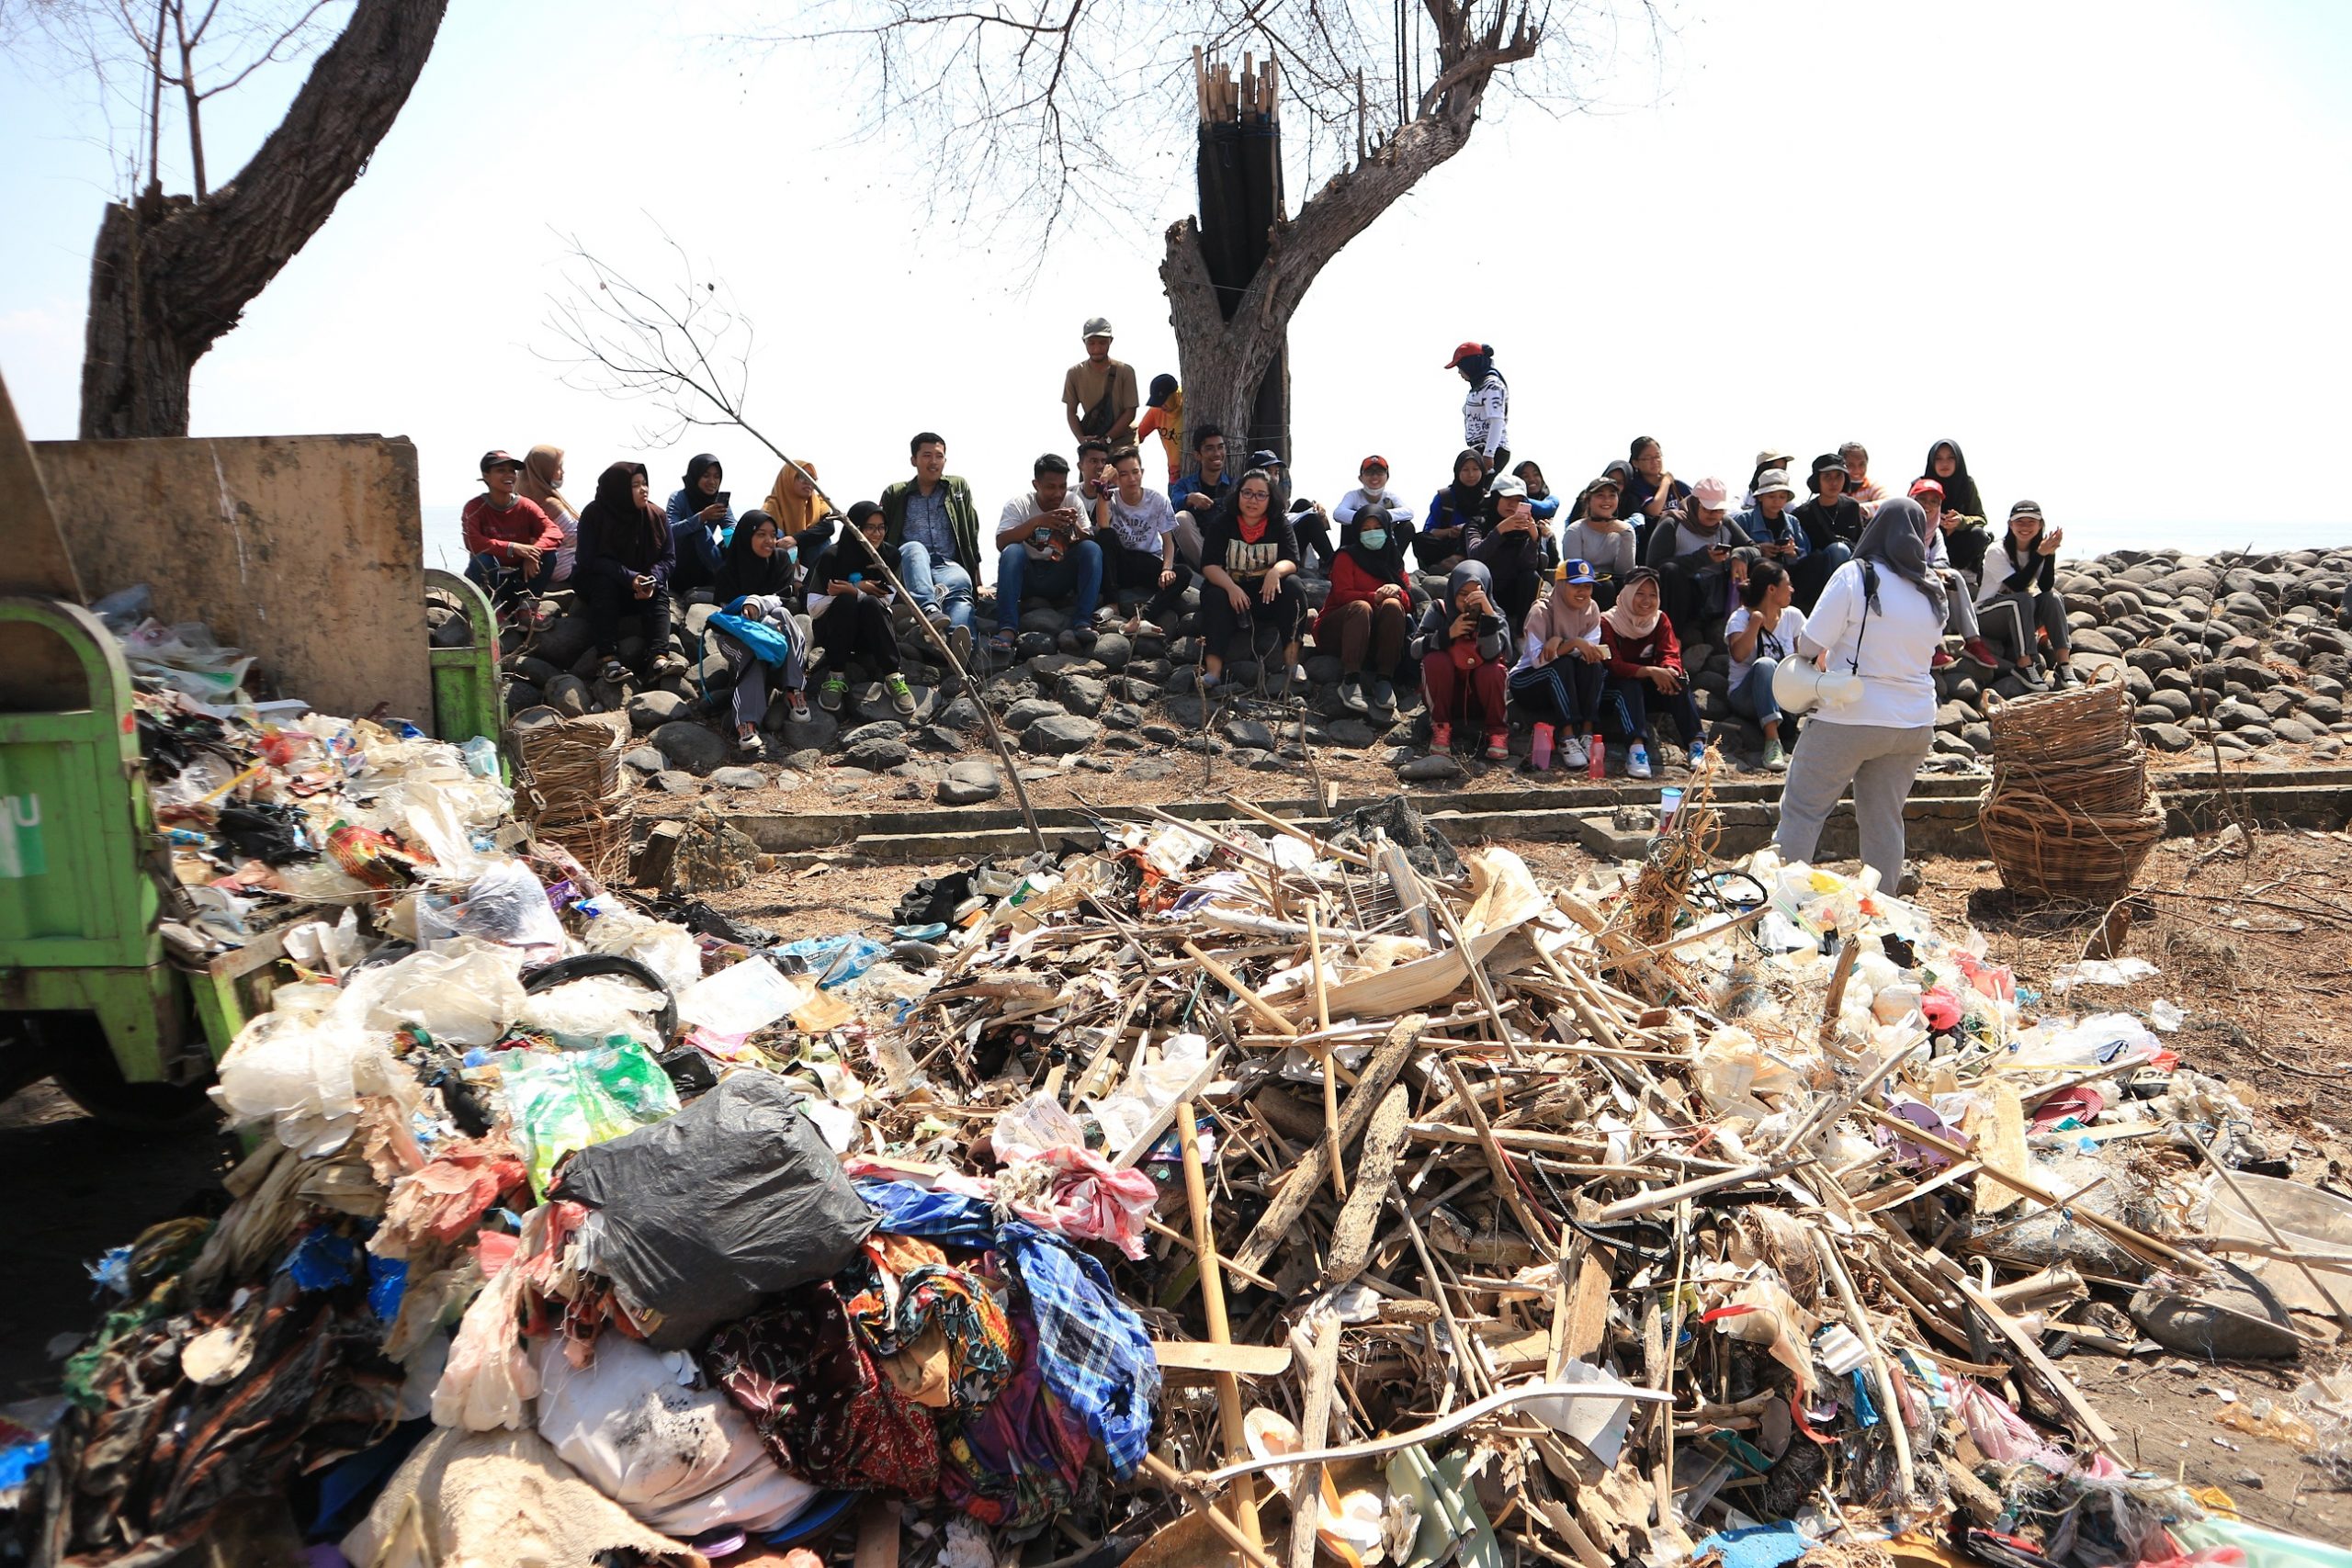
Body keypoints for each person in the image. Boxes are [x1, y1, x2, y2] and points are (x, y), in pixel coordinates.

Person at [1772, 496, 1949, 891]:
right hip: (1914, 723)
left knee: (1803, 811)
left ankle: (1779, 906)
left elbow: (1809, 643)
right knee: (1884, 820)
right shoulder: (1933, 588)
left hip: (1849, 716)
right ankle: (1882, 914)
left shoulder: (1857, 574)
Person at [709, 511, 810, 756]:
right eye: (760, 535)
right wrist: (752, 618)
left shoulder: (780, 560)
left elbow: (785, 597)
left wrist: (757, 605)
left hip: (773, 630)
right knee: (749, 654)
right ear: (746, 536)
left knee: (786, 616)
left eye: (772, 535)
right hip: (736, 637)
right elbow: (726, 619)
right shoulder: (728, 571)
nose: (769, 541)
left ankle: (794, 689)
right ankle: (746, 723)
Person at [1198, 468, 1305, 694]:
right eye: (1247, 493)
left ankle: (1292, 662)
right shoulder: (1222, 523)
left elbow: (1292, 560)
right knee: (1214, 594)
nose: (1252, 500)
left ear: (1270, 498)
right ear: (1238, 495)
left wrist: (1275, 572)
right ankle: (1213, 672)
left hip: (1266, 596)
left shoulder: (1279, 524)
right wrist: (1231, 587)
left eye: (1260, 494)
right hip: (1232, 596)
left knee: (1294, 585)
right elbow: (1209, 565)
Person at [575, 461, 683, 684]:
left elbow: (669, 559)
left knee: (661, 591)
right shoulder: (594, 514)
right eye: (635, 485)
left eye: (645, 483)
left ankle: (658, 659)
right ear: (619, 488)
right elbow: (587, 559)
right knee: (604, 583)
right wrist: (628, 577)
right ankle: (608, 660)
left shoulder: (657, 516)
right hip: (603, 586)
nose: (644, 489)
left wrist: (652, 579)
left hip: (641, 589)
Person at [878, 432, 981, 663]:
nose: (933, 462)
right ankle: (929, 610)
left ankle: (959, 644)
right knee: (915, 548)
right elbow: (879, 533)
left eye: (939, 456)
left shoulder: (957, 487)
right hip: (909, 564)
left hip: (946, 563)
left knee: (962, 584)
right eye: (927, 455)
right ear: (914, 460)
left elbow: (971, 532)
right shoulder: (896, 492)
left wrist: (978, 578)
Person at [808, 502, 918, 716]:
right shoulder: (832, 556)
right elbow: (813, 608)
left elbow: (886, 601)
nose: (876, 534)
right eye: (869, 527)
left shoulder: (890, 557)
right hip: (835, 632)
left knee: (869, 603)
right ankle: (836, 674)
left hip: (871, 634)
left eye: (881, 527)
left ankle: (892, 675)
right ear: (855, 527)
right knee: (846, 602)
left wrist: (853, 589)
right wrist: (856, 590)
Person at [994, 453, 1105, 658]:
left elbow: (1089, 539)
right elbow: (1001, 542)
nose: (1058, 493)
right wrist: (1037, 522)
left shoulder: (1072, 501)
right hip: (1028, 577)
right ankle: (1007, 628)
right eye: (1051, 487)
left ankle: (1082, 622)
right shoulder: (1019, 505)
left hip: (1059, 574)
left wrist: (1074, 527)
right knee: (1012, 551)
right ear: (1036, 484)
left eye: (1062, 486)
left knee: (1092, 550)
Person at [1599, 567, 1704, 780]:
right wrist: (1649, 671)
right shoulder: (1607, 622)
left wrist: (1668, 671)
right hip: (1614, 690)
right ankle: (1636, 751)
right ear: (1628, 593)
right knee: (1629, 686)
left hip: (1649, 686)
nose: (1646, 601)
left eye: (1652, 595)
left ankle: (1697, 745)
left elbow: (1670, 652)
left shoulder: (1660, 620)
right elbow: (1614, 665)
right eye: (1640, 593)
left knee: (1677, 680)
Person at [1510, 559, 1610, 774]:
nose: (1583, 592)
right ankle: (1567, 737)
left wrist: (1561, 643)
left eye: (1588, 586)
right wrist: (1572, 643)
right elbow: (1538, 660)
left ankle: (1586, 732)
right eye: (1576, 585)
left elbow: (1589, 651)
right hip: (1528, 682)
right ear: (1561, 584)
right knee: (1561, 665)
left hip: (1564, 682)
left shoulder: (1592, 608)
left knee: (1593, 666)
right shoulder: (1541, 611)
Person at [1315, 503, 1413, 716]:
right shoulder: (1346, 557)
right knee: (1362, 607)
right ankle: (1350, 680)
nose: (1372, 534)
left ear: (1387, 530)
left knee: (1394, 605)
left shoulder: (1393, 560)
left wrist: (1397, 590)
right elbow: (1341, 595)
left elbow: (1409, 602)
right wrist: (1373, 596)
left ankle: (1384, 678)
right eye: (1365, 529)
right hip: (1338, 631)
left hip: (1373, 637)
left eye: (1377, 528)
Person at [1413, 560, 1514, 760]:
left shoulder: (1496, 615)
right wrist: (1448, 634)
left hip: (1481, 699)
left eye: (1475, 594)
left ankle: (1497, 732)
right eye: (1462, 594)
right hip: (1446, 697)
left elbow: (1492, 654)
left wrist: (1488, 617)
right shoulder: (1439, 610)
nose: (1468, 600)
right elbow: (1415, 649)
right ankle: (1441, 728)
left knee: (1493, 669)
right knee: (1435, 660)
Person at [1974, 500, 2077, 686]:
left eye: (2031, 522)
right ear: (2010, 525)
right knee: (2022, 599)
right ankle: (2024, 664)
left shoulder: (2037, 549)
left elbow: (2045, 587)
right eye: (2020, 522)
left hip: (2021, 616)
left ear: (2040, 525)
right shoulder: (1996, 551)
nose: (2025, 527)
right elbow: (2016, 585)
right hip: (1988, 616)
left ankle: (2063, 665)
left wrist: (2050, 554)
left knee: (2052, 598)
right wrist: (2040, 555)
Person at [1093, 445, 1186, 637]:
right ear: (1116, 477)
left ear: (1142, 472)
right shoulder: (1109, 497)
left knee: (1183, 573)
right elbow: (1103, 526)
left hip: (1147, 561)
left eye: (1135, 472)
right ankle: (1113, 603)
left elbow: (1168, 540)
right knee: (1106, 535)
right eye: (1124, 474)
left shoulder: (1158, 500)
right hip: (1119, 563)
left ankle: (1142, 617)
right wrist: (1103, 483)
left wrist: (1167, 569)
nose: (1132, 479)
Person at [1910, 479, 2002, 670]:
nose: (1928, 505)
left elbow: (1942, 561)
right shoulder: (1901, 527)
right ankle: (1929, 646)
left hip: (1926, 578)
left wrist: (1934, 572)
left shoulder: (1935, 533)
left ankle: (1972, 640)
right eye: (1922, 499)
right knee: (1932, 581)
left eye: (1934, 501)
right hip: (1900, 584)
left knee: (1953, 577)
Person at [462, 449, 561, 623]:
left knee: (550, 555)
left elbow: (554, 531)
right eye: (501, 470)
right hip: (490, 581)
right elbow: (474, 542)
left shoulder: (525, 505)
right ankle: (493, 612)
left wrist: (533, 552)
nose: (508, 475)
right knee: (483, 559)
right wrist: (513, 547)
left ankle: (527, 609)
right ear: (486, 476)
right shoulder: (474, 507)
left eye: (511, 471)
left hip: (518, 579)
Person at [1724, 559, 1804, 772]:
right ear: (1771, 589)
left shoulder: (1794, 617)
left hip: (1782, 694)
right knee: (1765, 664)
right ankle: (1772, 741)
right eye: (1787, 585)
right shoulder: (1740, 618)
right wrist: (1754, 625)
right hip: (1745, 696)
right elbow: (1739, 655)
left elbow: (1806, 654)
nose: (1792, 590)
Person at [1647, 476, 1743, 640]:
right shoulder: (1673, 524)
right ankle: (1671, 636)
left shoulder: (1725, 524)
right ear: (1695, 504)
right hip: (1685, 595)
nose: (1714, 515)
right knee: (1670, 570)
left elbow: (1753, 548)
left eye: (1718, 510)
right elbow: (1655, 565)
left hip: (1718, 593)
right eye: (1708, 509)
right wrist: (1701, 558)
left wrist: (1739, 556)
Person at [1466, 472, 1547, 632]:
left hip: (1513, 591)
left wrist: (1533, 538)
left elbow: (1529, 566)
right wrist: (1500, 530)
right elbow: (1475, 556)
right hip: (1486, 588)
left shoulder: (1524, 529)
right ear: (1496, 498)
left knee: (1532, 578)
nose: (1512, 504)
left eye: (1518, 501)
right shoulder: (1478, 523)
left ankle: (1522, 635)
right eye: (1507, 498)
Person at [1250, 448, 1334, 574]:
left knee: (1303, 504)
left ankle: (1328, 561)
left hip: (1277, 536)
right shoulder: (1251, 496)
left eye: (1276, 473)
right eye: (1268, 472)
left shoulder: (1273, 496)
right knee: (1310, 520)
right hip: (1266, 549)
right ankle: (1335, 566)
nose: (1273, 478)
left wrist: (1315, 509)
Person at [1561, 472, 1639, 604]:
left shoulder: (1625, 529)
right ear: (1588, 501)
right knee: (1605, 587)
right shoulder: (1576, 530)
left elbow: (1624, 571)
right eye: (1600, 496)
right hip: (1585, 584)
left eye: (1612, 496)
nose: (1607, 500)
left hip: (1615, 584)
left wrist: (1626, 536)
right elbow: (1575, 571)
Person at [1062, 316, 1138, 445]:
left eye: (1102, 343)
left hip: (1124, 441)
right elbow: (1071, 411)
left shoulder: (1125, 371)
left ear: (1111, 341)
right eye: (1091, 343)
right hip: (1093, 441)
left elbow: (1130, 412)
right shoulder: (1074, 374)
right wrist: (1081, 439)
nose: (1097, 348)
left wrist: (1107, 439)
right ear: (1084, 342)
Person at [667, 454, 733, 599]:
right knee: (700, 531)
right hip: (682, 565)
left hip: (708, 564)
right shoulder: (678, 498)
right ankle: (723, 581)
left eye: (716, 477)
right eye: (706, 476)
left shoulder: (719, 503)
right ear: (695, 476)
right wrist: (701, 517)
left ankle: (730, 582)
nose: (712, 481)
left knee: (738, 539)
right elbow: (669, 531)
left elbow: (731, 527)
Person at [1170, 424, 1235, 571]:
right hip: (1199, 551)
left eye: (1220, 447)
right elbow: (1174, 507)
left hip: (1229, 551)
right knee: (1181, 518)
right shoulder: (1184, 485)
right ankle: (1213, 573)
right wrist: (1190, 499)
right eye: (1210, 448)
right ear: (1197, 455)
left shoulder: (1236, 486)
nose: (1217, 453)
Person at [1418, 449, 1489, 573]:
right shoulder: (1445, 497)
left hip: (1474, 547)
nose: (1471, 474)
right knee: (1420, 539)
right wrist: (1450, 532)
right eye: (1465, 470)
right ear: (1457, 472)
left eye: (1475, 469)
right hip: (1448, 545)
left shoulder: (1489, 499)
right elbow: (1430, 531)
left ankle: (1458, 560)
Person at [519, 445, 580, 587]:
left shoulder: (522, 497)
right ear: (544, 471)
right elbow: (575, 537)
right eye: (558, 468)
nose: (562, 472)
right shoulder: (548, 503)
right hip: (563, 567)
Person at [1444, 342, 1510, 468]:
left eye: (1460, 367)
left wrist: (1489, 454)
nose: (1459, 372)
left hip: (1492, 450)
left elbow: (1497, 421)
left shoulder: (1492, 386)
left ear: (1470, 365)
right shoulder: (1479, 386)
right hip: (1479, 450)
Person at [1622, 437, 1692, 547]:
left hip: (1684, 540)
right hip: (1655, 544)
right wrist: (1665, 482)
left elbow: (1697, 504)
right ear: (1636, 463)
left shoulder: (1677, 485)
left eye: (1657, 456)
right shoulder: (1636, 487)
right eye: (1648, 458)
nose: (1655, 462)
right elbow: (1654, 510)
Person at [762, 457, 837, 558]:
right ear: (787, 478)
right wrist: (791, 553)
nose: (808, 482)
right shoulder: (772, 505)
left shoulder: (820, 502)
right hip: (781, 558)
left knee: (823, 540)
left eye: (812, 479)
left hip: (809, 561)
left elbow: (828, 527)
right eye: (802, 477)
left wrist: (795, 539)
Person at [1335, 455, 1417, 531]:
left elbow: (1409, 512)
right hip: (1358, 539)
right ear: (1360, 478)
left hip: (1384, 540)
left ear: (1387, 477)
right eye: (1369, 472)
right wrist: (1367, 516)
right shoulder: (1353, 495)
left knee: (1407, 526)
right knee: (1346, 524)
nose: (1374, 476)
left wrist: (1382, 515)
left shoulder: (1390, 496)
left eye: (1380, 472)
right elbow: (1338, 513)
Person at [1920, 438, 1987, 524]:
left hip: (1960, 534)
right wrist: (1933, 517)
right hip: (1927, 534)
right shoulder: (1920, 485)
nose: (1944, 463)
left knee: (1978, 533)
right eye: (1938, 458)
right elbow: (1906, 515)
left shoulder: (1967, 484)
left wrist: (1961, 521)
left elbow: (1981, 519)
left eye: (1950, 458)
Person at [1135, 374, 1184, 483]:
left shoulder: (1190, 402)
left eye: (1163, 401)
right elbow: (1137, 436)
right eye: (1158, 402)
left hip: (1200, 470)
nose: (1161, 406)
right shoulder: (1156, 411)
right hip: (1175, 475)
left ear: (1175, 394)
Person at [1838, 441, 1889, 517]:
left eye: (1862, 464)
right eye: (1850, 465)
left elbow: (1888, 503)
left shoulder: (1870, 485)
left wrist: (1861, 509)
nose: (1857, 470)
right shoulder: (1836, 487)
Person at [1512, 461, 1562, 525]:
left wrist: (1519, 499)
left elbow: (1545, 508)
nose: (1532, 479)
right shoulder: (1509, 505)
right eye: (1525, 476)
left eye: (1536, 474)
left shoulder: (1552, 500)